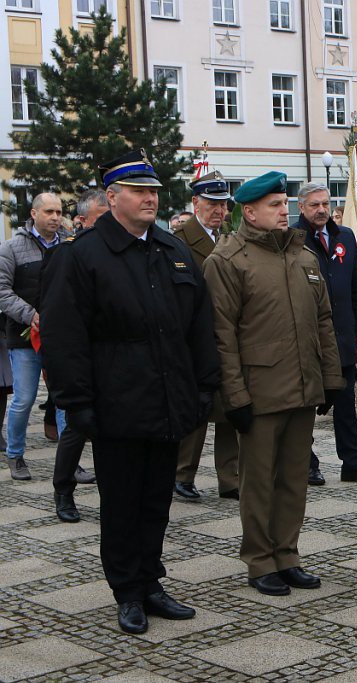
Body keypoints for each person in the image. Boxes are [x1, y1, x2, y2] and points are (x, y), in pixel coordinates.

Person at [42, 149, 220, 634]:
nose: (151, 198)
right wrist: (75, 403)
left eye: (155, 190)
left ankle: (151, 580)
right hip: (116, 403)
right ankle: (127, 590)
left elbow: (199, 326)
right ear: (113, 197)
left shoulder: (171, 249)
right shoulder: (80, 257)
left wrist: (206, 385)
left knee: (156, 500)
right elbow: (64, 339)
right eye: (140, 191)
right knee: (121, 503)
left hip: (167, 400)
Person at [203, 171, 344, 597]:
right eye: (275, 206)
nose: (286, 211)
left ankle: (288, 554)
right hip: (259, 392)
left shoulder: (304, 257)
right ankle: (259, 560)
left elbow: (323, 322)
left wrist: (332, 378)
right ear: (249, 211)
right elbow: (220, 336)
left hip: (303, 386)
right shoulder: (227, 261)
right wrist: (235, 396)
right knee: (259, 481)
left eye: (285, 204)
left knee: (294, 478)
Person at [294, 182, 357, 486]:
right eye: (314, 205)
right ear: (301, 207)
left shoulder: (344, 236)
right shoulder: (293, 238)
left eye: (325, 204)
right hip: (308, 338)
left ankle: (353, 463)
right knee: (305, 406)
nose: (321, 210)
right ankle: (307, 463)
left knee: (346, 404)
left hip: (342, 336)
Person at [172, 171, 240, 500]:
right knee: (197, 410)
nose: (219, 210)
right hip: (194, 338)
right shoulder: (180, 239)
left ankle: (230, 478)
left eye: (223, 204)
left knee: (229, 408)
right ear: (195, 202)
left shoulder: (229, 235)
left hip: (227, 335)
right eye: (211, 203)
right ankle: (182, 474)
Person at [48, 190, 108, 523]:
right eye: (102, 216)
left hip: (113, 360)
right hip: (81, 360)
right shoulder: (67, 254)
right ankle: (63, 490)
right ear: (82, 220)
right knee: (76, 429)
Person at [0, 192, 69, 481]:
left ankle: (69, 459)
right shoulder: (12, 248)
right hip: (24, 337)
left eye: (59, 212)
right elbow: (2, 291)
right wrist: (32, 316)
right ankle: (15, 455)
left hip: (62, 338)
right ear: (34, 214)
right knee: (24, 399)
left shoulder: (70, 246)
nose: (55, 217)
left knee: (66, 401)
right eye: (49, 212)